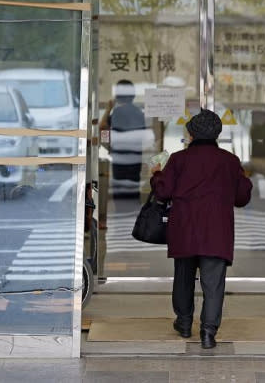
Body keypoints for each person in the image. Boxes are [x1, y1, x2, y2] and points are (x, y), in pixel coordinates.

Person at [149, 109, 253, 349]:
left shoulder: (178, 159)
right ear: (217, 133)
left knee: (183, 277)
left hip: (184, 228)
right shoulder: (229, 161)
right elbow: (242, 197)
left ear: (191, 133)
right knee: (213, 283)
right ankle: (208, 332)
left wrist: (156, 176)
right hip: (217, 231)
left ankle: (184, 323)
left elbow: (163, 192)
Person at [99, 80, 152, 197]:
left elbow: (103, 128)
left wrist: (108, 108)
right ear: (133, 96)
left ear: (117, 96)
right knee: (133, 193)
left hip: (119, 160)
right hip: (135, 159)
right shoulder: (139, 113)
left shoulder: (116, 113)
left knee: (120, 195)